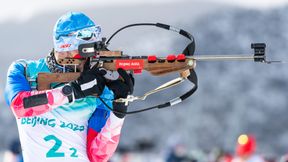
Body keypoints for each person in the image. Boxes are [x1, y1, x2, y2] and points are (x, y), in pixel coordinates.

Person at [4, 11, 134, 162]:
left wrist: (119, 112)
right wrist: (72, 92)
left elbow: (97, 155)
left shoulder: (99, 88)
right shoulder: (25, 70)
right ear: (64, 49)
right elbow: (20, 106)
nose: (88, 59)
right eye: (84, 51)